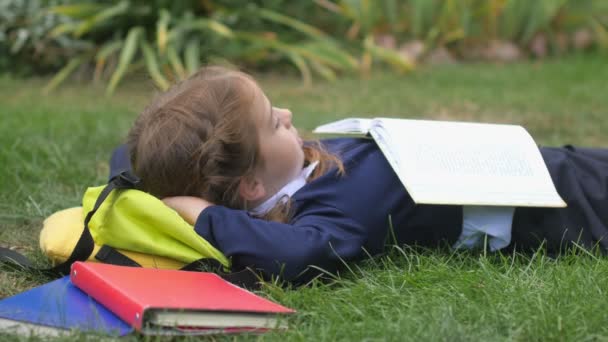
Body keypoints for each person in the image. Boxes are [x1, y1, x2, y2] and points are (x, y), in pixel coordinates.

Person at [110, 66, 608, 285]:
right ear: (251, 187)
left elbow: (127, 159)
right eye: (272, 122)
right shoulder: (334, 206)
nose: (286, 112)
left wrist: (167, 190)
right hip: (571, 203)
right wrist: (203, 215)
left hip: (541, 164)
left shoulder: (287, 175)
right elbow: (305, 254)